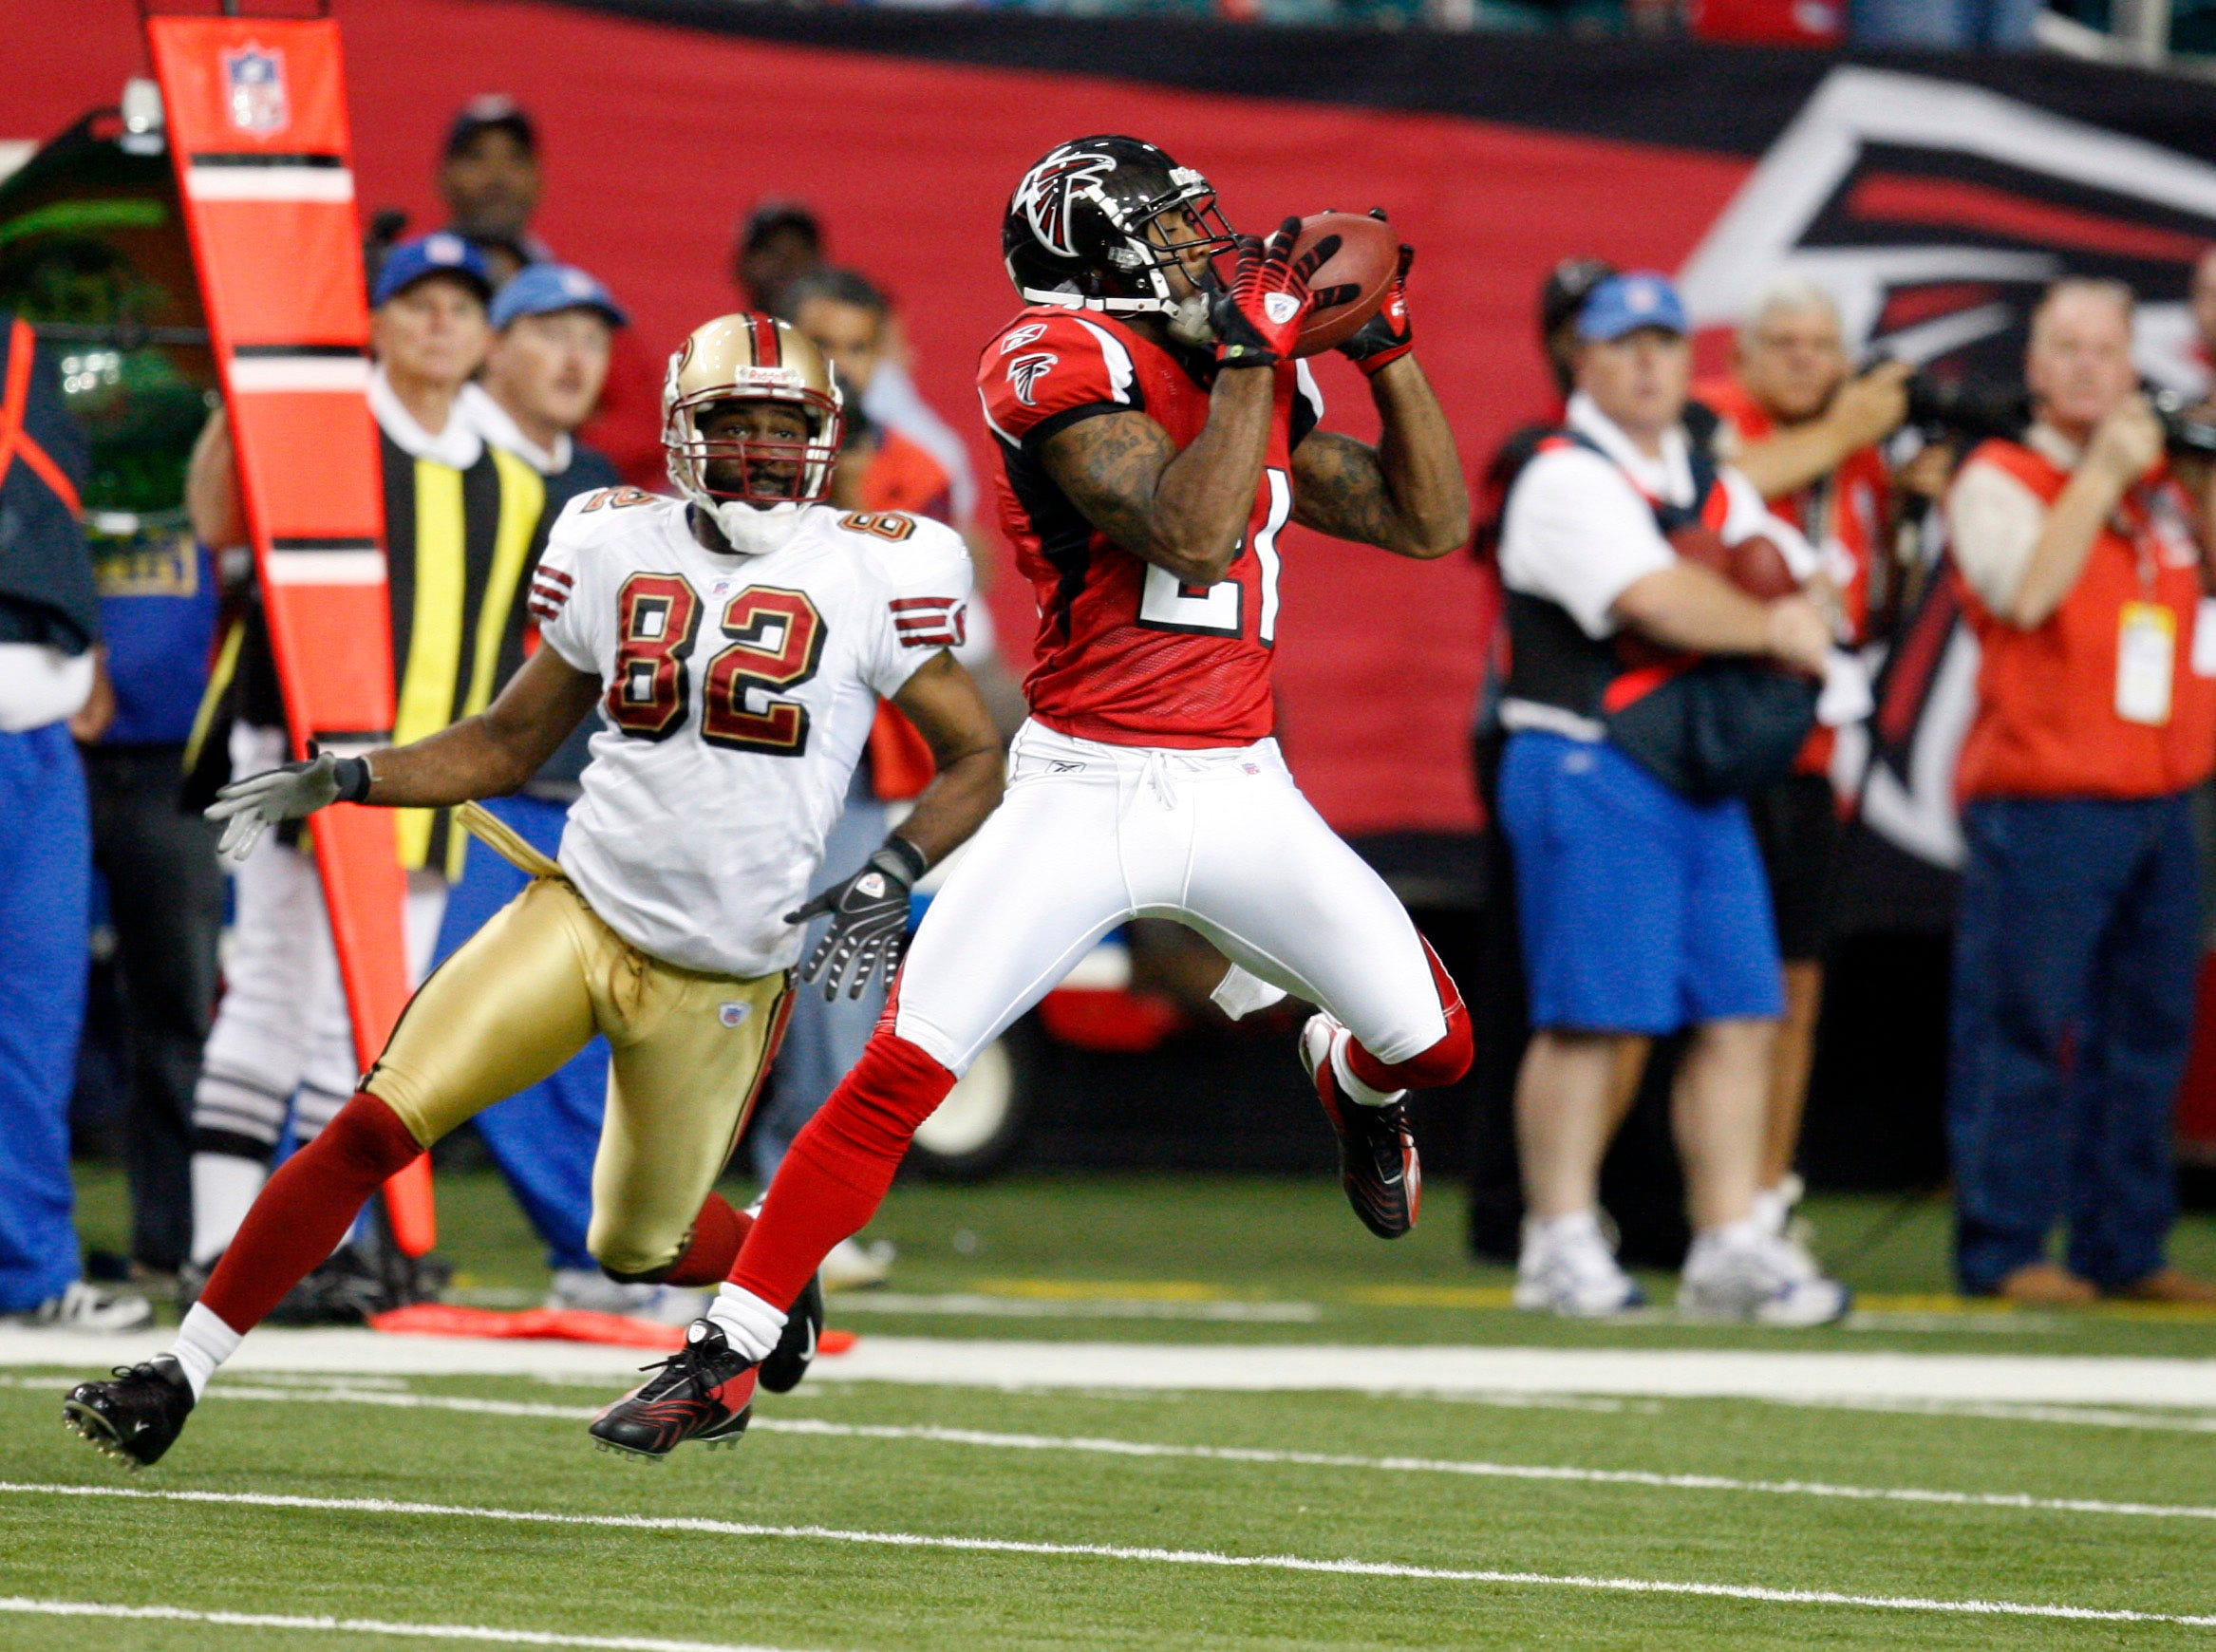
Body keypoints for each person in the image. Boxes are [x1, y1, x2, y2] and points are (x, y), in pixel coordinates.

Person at [585, 135, 1474, 1460]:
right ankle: (724, 1352)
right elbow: (1185, 527)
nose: (1202, 247)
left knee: (1435, 1050)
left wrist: (1386, 351)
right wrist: (1253, 355)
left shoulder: (1234, 369)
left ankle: (1345, 1076)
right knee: (899, 1071)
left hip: (1240, 785)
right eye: (1169, 230)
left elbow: (1427, 523)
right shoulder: (1048, 360)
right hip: (1085, 785)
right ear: (1093, 255)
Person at [63, 314, 1006, 1470]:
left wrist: (892, 868)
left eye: (786, 429)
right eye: (733, 425)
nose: (760, 454)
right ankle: (180, 1369)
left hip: (724, 967)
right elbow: (508, 745)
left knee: (640, 1246)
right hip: (581, 908)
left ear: (823, 438)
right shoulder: (616, 540)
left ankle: (772, 1260)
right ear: (682, 431)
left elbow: (978, 755)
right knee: (373, 1122)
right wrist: (353, 774)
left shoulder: (878, 563)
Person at [180, 234, 541, 1314]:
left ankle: (314, 1251)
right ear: (375, 322)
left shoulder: (514, 472)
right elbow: (215, 524)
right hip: (302, 751)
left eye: (460, 307)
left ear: (486, 335)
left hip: (430, 777)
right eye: (416, 303)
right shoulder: (326, 423)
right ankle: (216, 1248)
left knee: (372, 1026)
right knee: (278, 993)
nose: (439, 323)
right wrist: (252, 394)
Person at [1496, 272, 1850, 1325]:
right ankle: (1556, 1237)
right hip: (1589, 757)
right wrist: (1774, 622)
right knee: (1592, 1018)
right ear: (1582, 360)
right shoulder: (1560, 474)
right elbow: (1653, 595)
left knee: (1743, 1008)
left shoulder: (1706, 470)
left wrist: (1786, 599)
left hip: (1694, 770)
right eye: (1625, 344)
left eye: (1665, 343)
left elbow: (1803, 568)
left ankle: (1728, 1240)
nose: (1649, 363)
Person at [1944, 279, 2216, 1307]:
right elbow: (2026, 592)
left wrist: (2182, 472)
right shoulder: (1999, 475)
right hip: (2045, 797)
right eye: (2068, 348)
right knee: (2021, 1026)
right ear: (2035, 366)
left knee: (2144, 1035)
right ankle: (2005, 1247)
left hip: (2162, 794)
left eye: (2108, 350)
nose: (2090, 368)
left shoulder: (2159, 486)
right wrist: (2100, 477)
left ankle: (2125, 1244)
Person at [460, 261, 672, 1315]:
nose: (575, 357)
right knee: (454, 1029)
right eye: (548, 331)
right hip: (462, 795)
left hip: (570, 797)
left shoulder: (602, 484)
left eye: (593, 337)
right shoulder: (447, 461)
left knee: (576, 1040)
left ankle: (596, 1255)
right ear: (491, 345)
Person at [1697, 276, 1906, 1241]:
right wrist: (1852, 427)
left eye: (1820, 344)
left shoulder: (1861, 460)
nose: (1801, 359)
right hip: (1725, 741)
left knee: (1798, 981)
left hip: (1817, 750)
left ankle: (1768, 1191)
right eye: (1780, 340)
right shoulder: (1713, 420)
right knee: (1713, 987)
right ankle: (1682, 1200)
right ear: (1741, 355)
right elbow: (1726, 491)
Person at [0, 311, 149, 1331]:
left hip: (41, 729)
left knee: (36, 1022)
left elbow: (52, 513)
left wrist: (84, 634)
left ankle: (30, 1268)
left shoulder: (32, 348)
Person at [75, 498, 225, 1282]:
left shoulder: (213, 450)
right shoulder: (44, 444)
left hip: (180, 762)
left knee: (176, 1010)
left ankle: (170, 1246)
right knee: (28, 1011)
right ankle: (30, 1252)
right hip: (44, 741)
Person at [437, 96, 548, 285]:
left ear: (537, 178)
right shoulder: (408, 282)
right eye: (476, 157)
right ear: (444, 177)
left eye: (515, 158)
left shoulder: (557, 287)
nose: (497, 178)